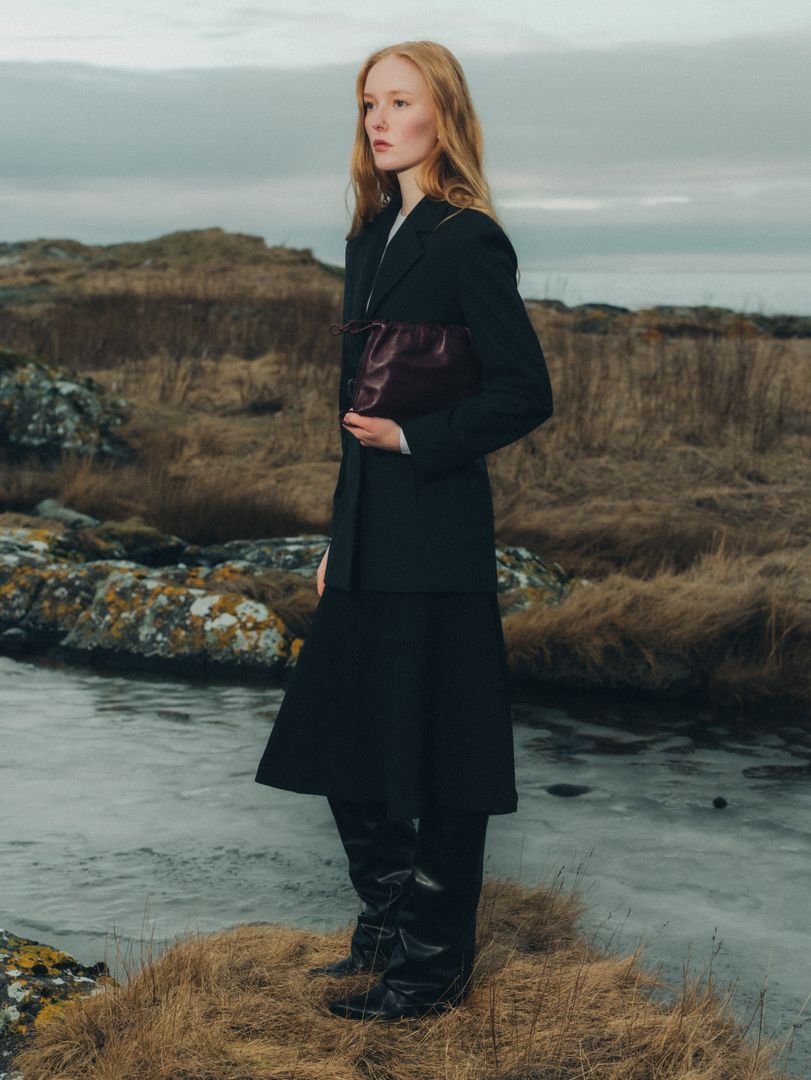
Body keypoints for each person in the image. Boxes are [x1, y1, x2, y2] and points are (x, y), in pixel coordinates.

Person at [254, 39, 553, 1022]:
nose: (379, 120)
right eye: (368, 103)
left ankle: (430, 969)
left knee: (446, 755)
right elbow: (354, 411)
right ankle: (385, 929)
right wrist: (340, 532)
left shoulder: (468, 239)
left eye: (399, 102)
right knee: (338, 732)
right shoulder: (371, 233)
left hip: (437, 536)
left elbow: (523, 391)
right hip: (369, 534)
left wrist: (414, 437)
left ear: (443, 115)